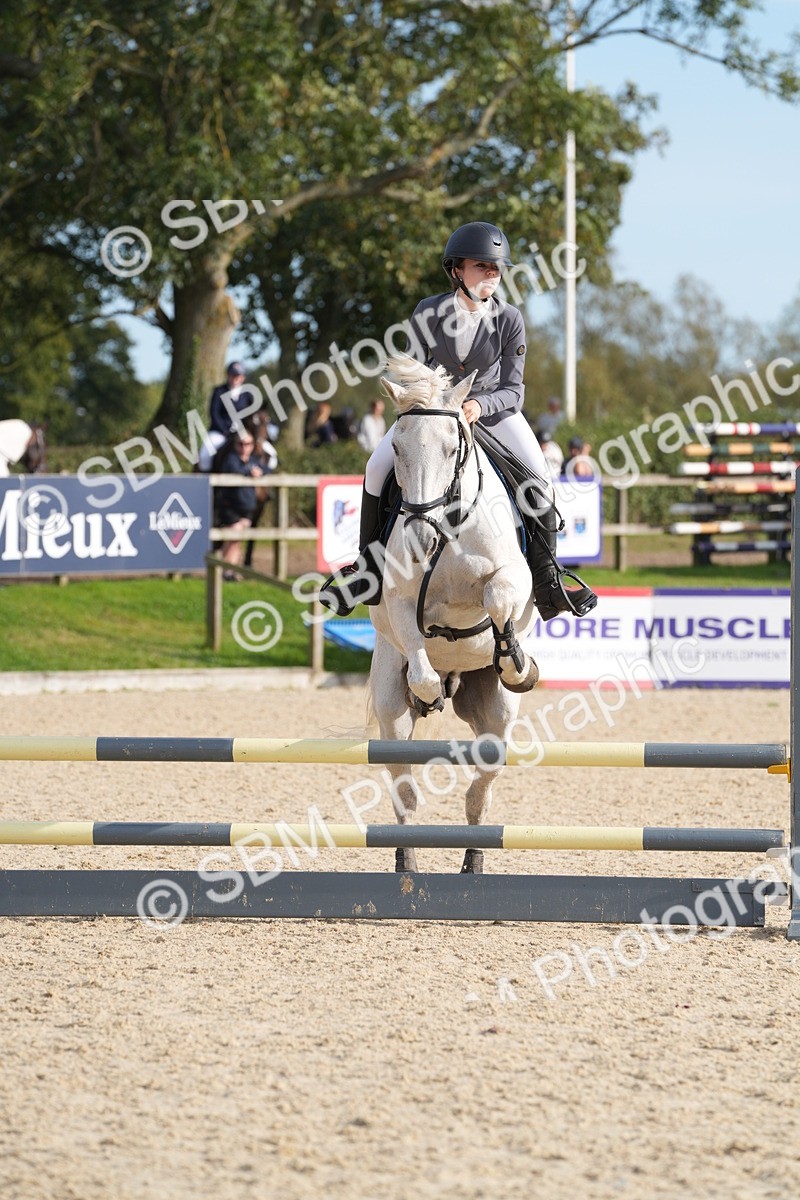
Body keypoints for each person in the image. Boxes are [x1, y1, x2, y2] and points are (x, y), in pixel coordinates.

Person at [320, 220, 597, 622]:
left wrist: (479, 406)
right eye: (482, 266)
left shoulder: (510, 319)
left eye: (496, 268)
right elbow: (414, 373)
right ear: (456, 270)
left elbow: (514, 390)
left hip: (493, 412)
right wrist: (438, 402)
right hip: (435, 414)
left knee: (539, 473)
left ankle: (548, 580)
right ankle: (368, 571)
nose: (491, 275)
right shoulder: (427, 312)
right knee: (376, 466)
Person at [213, 430, 263, 580]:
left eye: (248, 444)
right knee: (233, 536)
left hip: (246, 505)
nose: (244, 447)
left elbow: (265, 468)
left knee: (237, 539)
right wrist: (249, 472)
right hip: (221, 432)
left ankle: (230, 571)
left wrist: (260, 471)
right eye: (241, 444)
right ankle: (221, 568)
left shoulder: (253, 459)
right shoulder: (231, 459)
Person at [198, 361, 250, 471]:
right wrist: (225, 430)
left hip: (241, 434)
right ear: (228, 375)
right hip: (220, 433)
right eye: (233, 375)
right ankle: (206, 481)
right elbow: (214, 413)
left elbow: (252, 416)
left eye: (238, 376)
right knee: (204, 455)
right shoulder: (219, 391)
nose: (235, 378)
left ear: (243, 378)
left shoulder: (247, 395)